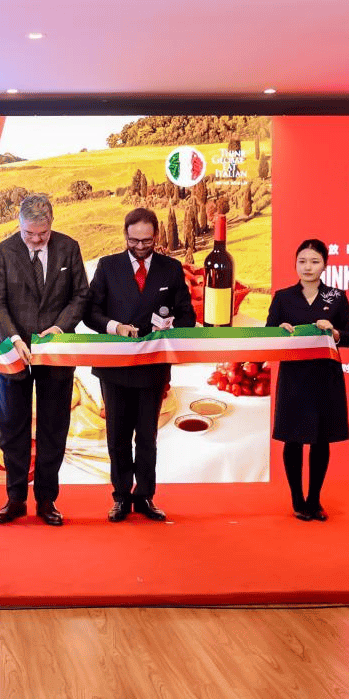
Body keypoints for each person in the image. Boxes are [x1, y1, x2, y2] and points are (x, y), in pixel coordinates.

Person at [84, 208, 195, 522]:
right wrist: (115, 327)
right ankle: (120, 498)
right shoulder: (107, 266)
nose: (140, 247)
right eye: (134, 241)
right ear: (125, 235)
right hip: (114, 368)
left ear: (156, 236)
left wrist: (170, 327)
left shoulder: (171, 269)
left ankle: (145, 496)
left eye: (147, 241)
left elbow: (187, 315)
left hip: (152, 367)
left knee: (147, 437)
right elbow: (90, 314)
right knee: (117, 437)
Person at [0, 193, 89, 526]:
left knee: (53, 428)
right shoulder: (3, 252)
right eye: (28, 233)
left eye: (41, 234)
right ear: (19, 224)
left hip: (56, 351)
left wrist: (59, 328)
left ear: (51, 223)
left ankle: (47, 500)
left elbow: (80, 295)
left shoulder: (69, 248)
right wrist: (14, 338)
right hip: (13, 352)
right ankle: (15, 499)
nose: (34, 239)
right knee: (12, 427)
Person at [266, 238, 349, 521]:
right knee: (293, 439)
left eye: (315, 261)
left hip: (325, 377)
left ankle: (314, 500)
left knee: (321, 439)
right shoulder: (283, 297)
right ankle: (297, 499)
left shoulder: (336, 297)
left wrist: (335, 332)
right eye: (302, 261)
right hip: (294, 377)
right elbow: (268, 334)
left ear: (325, 265)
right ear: (295, 264)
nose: (308, 267)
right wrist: (279, 330)